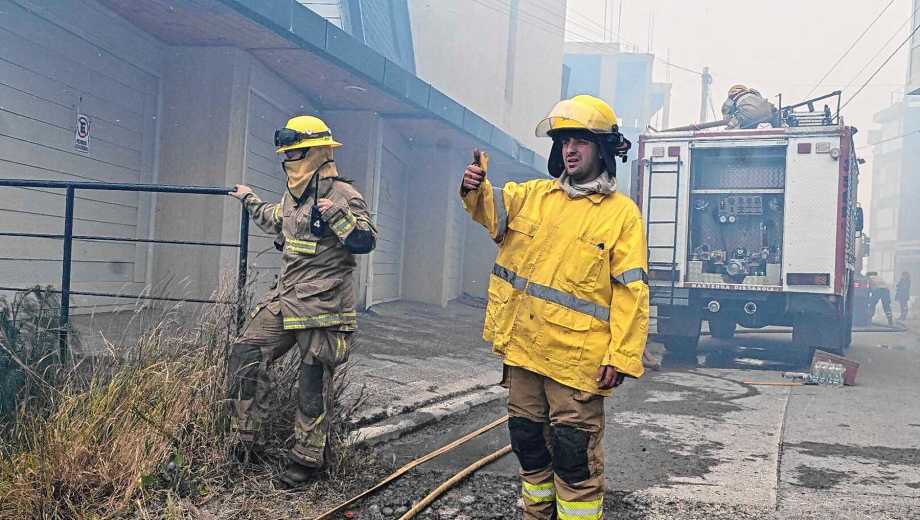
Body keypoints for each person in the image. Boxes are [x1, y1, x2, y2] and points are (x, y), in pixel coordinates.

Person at [461, 94, 649, 520]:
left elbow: (631, 292)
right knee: (527, 440)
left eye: (581, 141)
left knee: (573, 453)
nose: (570, 149)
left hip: (577, 361)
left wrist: (620, 356)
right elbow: (489, 210)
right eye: (564, 141)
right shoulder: (532, 196)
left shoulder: (622, 216)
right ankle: (535, 515)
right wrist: (474, 187)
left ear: (601, 150)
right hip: (525, 348)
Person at [227, 115, 376, 487]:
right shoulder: (293, 195)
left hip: (324, 308)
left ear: (318, 152)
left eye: (296, 153)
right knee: (246, 353)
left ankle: (306, 461)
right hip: (287, 298)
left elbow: (365, 241)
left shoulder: (343, 195)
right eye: (287, 154)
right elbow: (276, 220)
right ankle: (247, 441)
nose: (290, 161)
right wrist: (248, 198)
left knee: (312, 385)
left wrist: (338, 217)